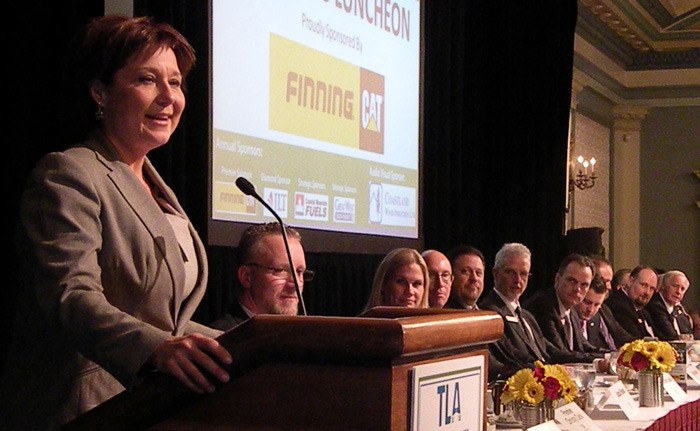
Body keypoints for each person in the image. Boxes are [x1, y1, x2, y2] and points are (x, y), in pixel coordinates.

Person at [0, 16, 232, 430]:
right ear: (100, 91)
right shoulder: (69, 174)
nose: (168, 98)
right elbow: (70, 296)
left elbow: (166, 319)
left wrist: (247, 346)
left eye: (176, 82)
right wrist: (159, 348)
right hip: (83, 409)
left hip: (152, 409)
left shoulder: (160, 190)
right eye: (148, 79)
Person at [479, 244, 594, 378]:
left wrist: (596, 361)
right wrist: (547, 372)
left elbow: (551, 351)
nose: (518, 280)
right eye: (510, 272)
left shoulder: (527, 316)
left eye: (523, 274)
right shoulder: (490, 314)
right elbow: (512, 360)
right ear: (495, 273)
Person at [211, 222, 311, 330]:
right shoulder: (219, 340)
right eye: (280, 270)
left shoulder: (302, 338)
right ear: (246, 276)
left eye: (299, 272)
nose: (295, 285)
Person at [524, 254, 607, 360]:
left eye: (584, 285)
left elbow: (583, 346)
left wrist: (612, 355)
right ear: (557, 279)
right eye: (572, 281)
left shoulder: (572, 308)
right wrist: (597, 361)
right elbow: (558, 354)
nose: (577, 289)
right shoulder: (542, 305)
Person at [573, 275, 634, 350]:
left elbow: (622, 335)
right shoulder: (568, 317)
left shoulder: (600, 313)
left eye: (597, 304)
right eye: (587, 302)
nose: (591, 309)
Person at [362, 248, 429, 312]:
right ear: (383, 284)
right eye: (401, 281)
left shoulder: (435, 323)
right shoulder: (360, 324)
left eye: (416, 284)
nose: (410, 291)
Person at [604, 265, 657, 339]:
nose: (647, 292)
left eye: (652, 288)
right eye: (644, 285)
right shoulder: (618, 305)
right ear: (630, 281)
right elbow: (634, 342)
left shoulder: (644, 312)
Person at [645, 270, 693, 341]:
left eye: (682, 289)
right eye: (675, 286)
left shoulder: (680, 312)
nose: (678, 292)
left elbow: (689, 336)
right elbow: (670, 336)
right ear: (663, 285)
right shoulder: (654, 305)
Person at [444, 245, 486, 310]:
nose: (474, 278)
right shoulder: (443, 315)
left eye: (478, 272)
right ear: (451, 276)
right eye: (466, 271)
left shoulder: (489, 315)